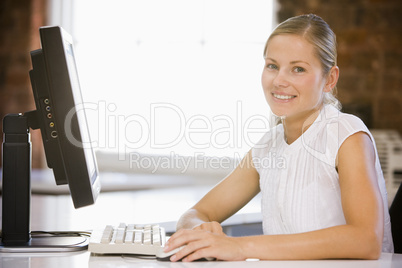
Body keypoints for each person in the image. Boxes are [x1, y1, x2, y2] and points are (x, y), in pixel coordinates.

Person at [163, 14, 394, 261]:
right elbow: (197, 212)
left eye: (298, 69)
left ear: (329, 79)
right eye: (272, 65)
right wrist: (199, 230)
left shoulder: (346, 135)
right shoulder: (267, 147)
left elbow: (365, 240)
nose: (280, 80)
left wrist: (240, 247)